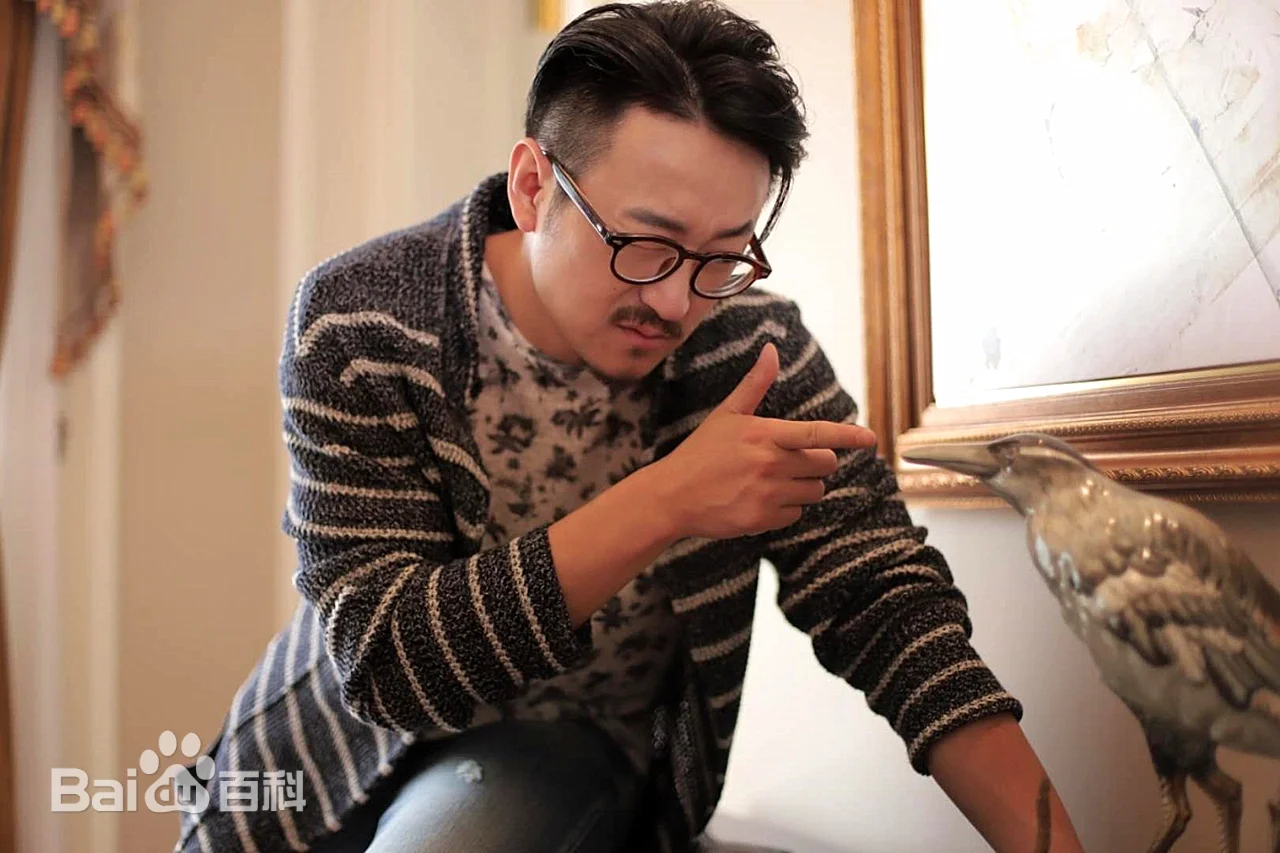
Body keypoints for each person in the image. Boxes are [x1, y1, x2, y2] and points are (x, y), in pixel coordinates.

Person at [174, 3, 1084, 852]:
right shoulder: (362, 319)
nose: (678, 301)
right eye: (645, 245)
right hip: (306, 774)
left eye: (722, 257)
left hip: (568, 759)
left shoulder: (752, 352)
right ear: (532, 186)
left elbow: (887, 604)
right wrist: (667, 499)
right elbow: (385, 665)